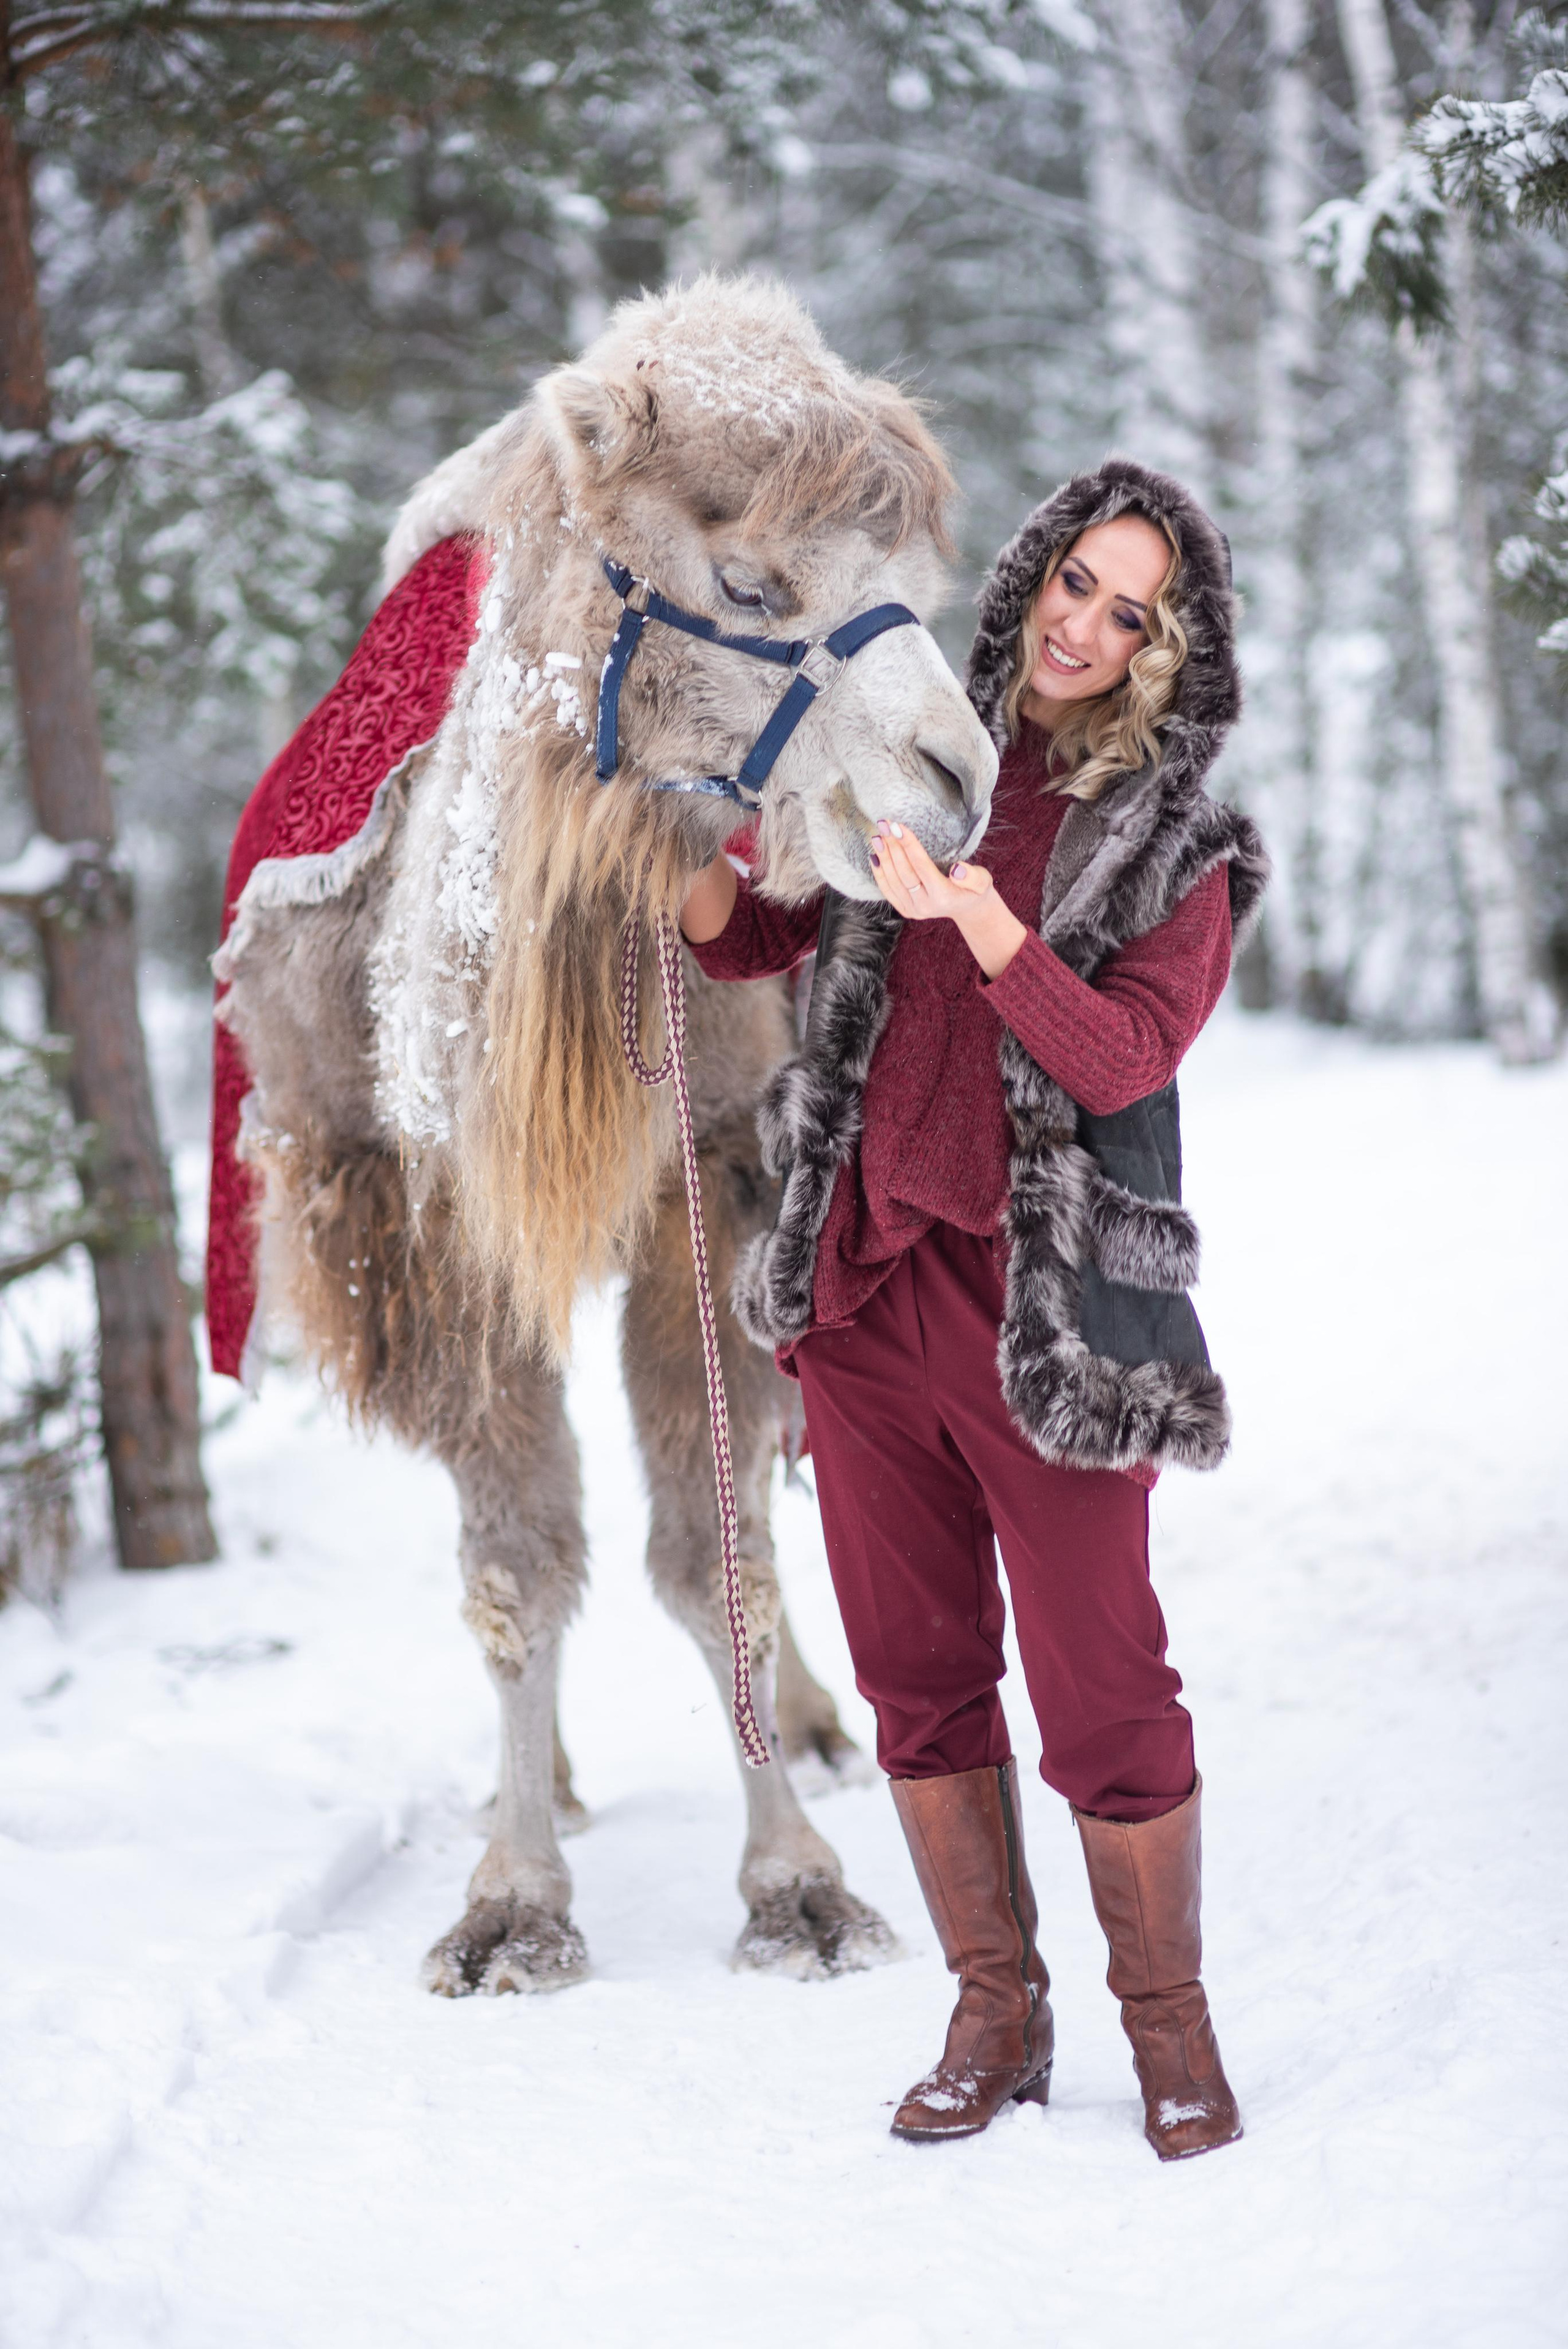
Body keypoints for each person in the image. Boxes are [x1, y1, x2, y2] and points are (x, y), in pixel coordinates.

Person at [679, 458, 1268, 2161]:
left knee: (1105, 1689)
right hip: (864, 1294)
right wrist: (675, 868)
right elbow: (753, 936)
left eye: (1129, 608)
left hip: (1054, 1325)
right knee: (915, 1675)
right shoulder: (920, 748)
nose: (1084, 622)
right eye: (1076, 579)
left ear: (1172, 647)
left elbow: (1123, 1055)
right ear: (1036, 573)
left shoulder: (1177, 845)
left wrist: (996, 926)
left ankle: (1171, 2030)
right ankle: (994, 2012)